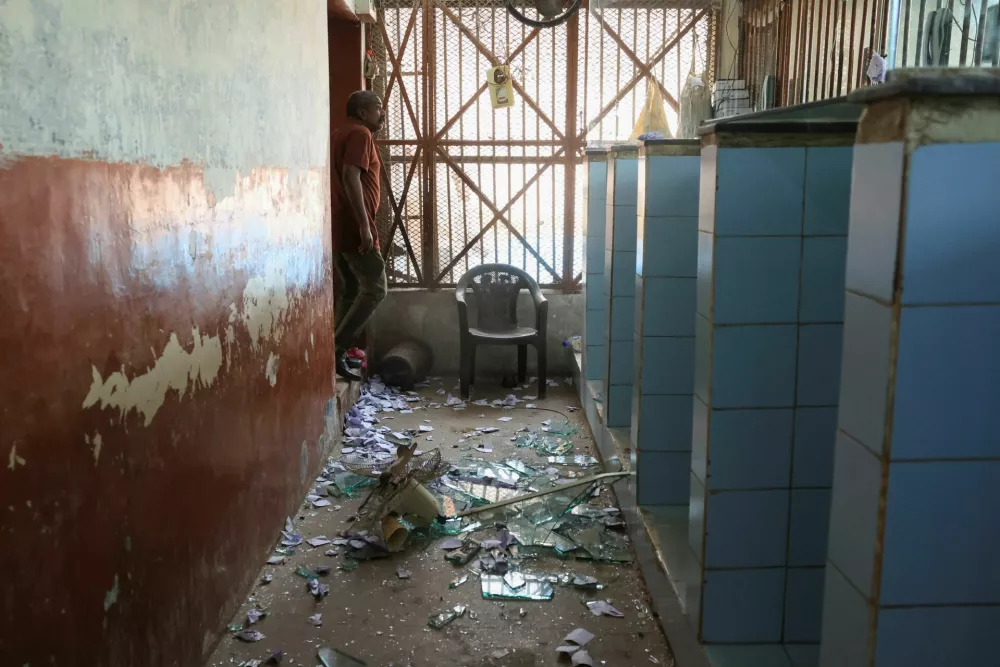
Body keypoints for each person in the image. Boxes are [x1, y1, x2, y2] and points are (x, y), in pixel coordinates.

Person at [331, 90, 387, 381]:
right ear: (363, 112)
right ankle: (338, 347)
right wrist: (364, 225)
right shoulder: (360, 134)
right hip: (355, 225)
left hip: (339, 223)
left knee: (351, 289)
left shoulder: (339, 133)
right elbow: (350, 175)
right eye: (377, 108)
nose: (382, 112)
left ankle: (336, 349)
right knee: (376, 289)